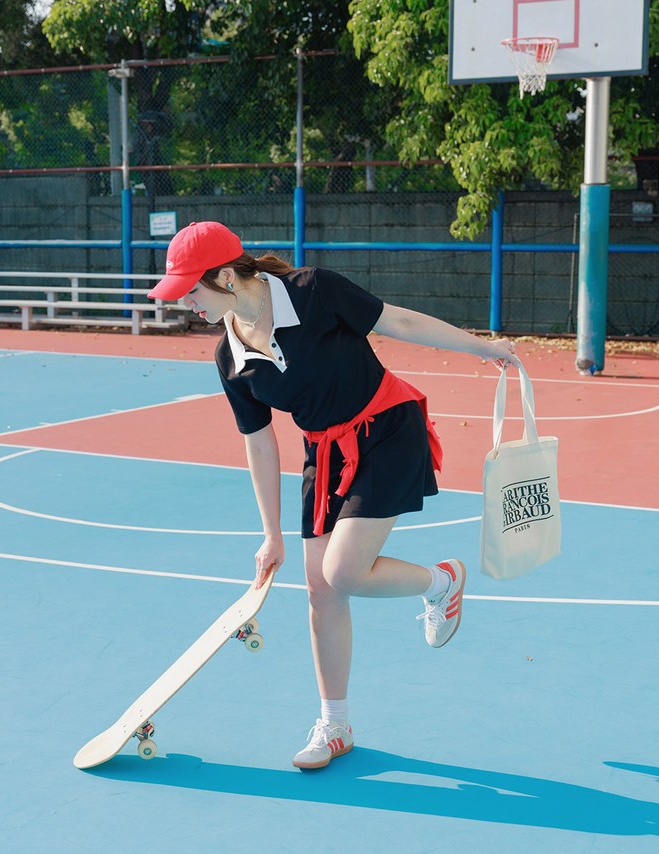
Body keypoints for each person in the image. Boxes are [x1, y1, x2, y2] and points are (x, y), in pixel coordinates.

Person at [148, 220, 519, 771]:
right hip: (324, 454)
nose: (187, 304)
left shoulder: (313, 290)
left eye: (192, 291)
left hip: (387, 428)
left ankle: (441, 581)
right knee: (321, 593)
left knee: (343, 571)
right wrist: (270, 534)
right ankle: (336, 725)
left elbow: (398, 320)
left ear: (226, 276)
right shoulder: (228, 356)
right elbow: (260, 444)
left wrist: (480, 346)